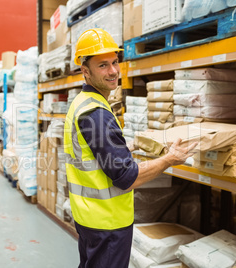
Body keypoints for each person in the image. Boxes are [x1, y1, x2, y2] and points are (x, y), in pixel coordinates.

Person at [64, 28, 198, 268]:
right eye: (103, 65)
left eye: (115, 62)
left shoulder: (83, 103)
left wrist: (130, 144)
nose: (114, 71)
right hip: (107, 222)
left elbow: (92, 152)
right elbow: (126, 177)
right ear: (85, 71)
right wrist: (169, 159)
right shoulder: (97, 113)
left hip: (89, 216)